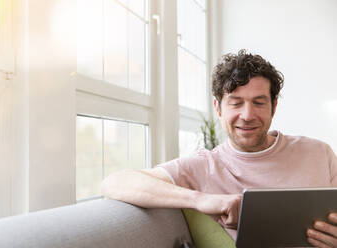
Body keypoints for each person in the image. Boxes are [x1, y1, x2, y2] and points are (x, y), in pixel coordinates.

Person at [101, 50, 337, 248]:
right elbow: (114, 183)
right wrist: (200, 199)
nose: (247, 115)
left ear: (273, 107)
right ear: (218, 108)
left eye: (259, 102)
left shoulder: (319, 153)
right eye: (235, 103)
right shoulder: (202, 166)